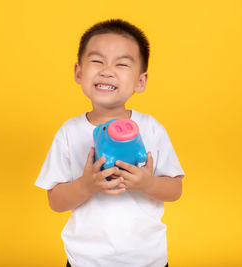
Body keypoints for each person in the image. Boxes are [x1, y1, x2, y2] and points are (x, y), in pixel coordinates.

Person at [35, 19, 185, 267]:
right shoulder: (69, 133)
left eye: (122, 64)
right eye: (97, 61)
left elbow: (175, 190)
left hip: (147, 259)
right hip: (85, 260)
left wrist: (147, 183)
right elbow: (55, 202)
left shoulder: (151, 129)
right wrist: (85, 185)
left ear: (141, 81)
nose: (107, 70)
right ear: (79, 73)